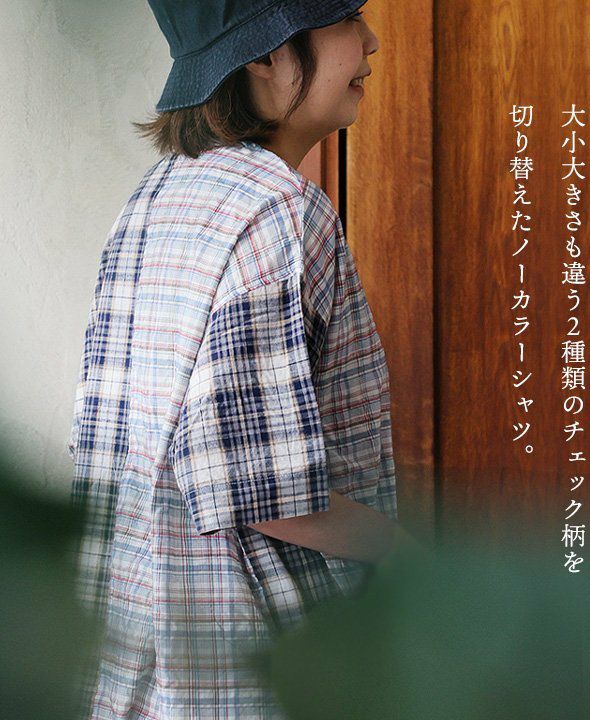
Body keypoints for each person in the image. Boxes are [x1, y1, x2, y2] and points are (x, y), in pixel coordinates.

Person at [67, 1, 422, 718]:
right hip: (251, 648)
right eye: (345, 18)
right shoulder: (281, 212)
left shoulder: (153, 198)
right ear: (264, 56)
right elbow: (263, 493)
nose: (371, 40)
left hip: (137, 643)